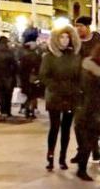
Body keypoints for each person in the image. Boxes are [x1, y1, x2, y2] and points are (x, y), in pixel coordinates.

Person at [39, 26, 81, 171]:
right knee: (54, 127)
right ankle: (50, 156)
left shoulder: (75, 56)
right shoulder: (49, 57)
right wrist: (54, 86)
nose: (65, 40)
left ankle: (62, 158)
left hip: (70, 96)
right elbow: (43, 75)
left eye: (67, 37)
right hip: (55, 95)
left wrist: (77, 89)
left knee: (66, 128)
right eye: (62, 37)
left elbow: (79, 76)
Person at [72, 36, 100, 180]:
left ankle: (82, 167)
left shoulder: (86, 65)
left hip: (86, 108)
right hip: (91, 110)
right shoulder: (93, 71)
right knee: (89, 140)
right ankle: (81, 169)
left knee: (89, 140)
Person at [0, 36, 18, 118]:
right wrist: (13, 74)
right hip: (7, 77)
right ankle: (6, 111)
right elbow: (15, 65)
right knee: (7, 95)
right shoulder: (9, 52)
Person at [18, 38, 42, 119]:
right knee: (33, 96)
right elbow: (40, 68)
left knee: (27, 95)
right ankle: (32, 111)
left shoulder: (24, 57)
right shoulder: (37, 56)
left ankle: (26, 110)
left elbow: (20, 69)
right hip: (34, 78)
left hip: (25, 78)